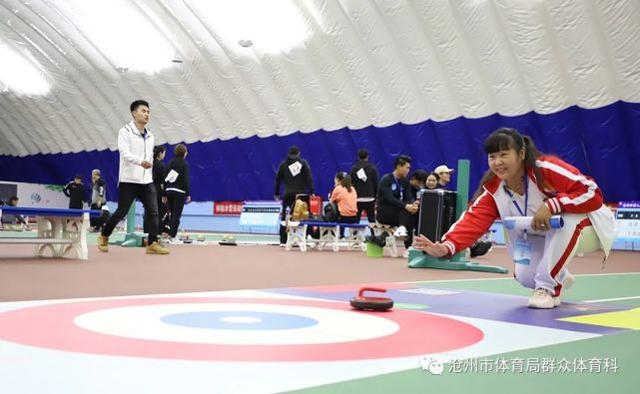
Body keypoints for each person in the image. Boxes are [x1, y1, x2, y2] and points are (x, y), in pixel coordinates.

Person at [414, 128, 615, 309]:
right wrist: (445, 247)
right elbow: (472, 220)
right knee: (525, 278)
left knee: (566, 221)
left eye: (504, 154)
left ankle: (547, 286)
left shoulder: (545, 169)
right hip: (540, 234)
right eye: (492, 156)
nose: (497, 162)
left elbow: (592, 192)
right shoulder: (494, 189)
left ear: (521, 154)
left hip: (588, 227)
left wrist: (553, 205)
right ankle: (557, 273)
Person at [97, 100, 169, 255]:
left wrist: (148, 169)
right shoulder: (125, 131)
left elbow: (149, 156)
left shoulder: (150, 135)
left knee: (153, 212)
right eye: (143, 111)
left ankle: (152, 243)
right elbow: (124, 152)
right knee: (121, 211)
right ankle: (104, 236)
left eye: (148, 112)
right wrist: (140, 162)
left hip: (146, 181)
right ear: (134, 113)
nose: (147, 114)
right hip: (129, 180)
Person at [375, 155, 418, 253]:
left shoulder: (405, 181)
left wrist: (413, 204)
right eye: (407, 168)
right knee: (406, 211)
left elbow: (408, 197)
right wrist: (406, 206)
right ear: (399, 166)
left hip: (399, 212)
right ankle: (407, 243)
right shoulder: (386, 179)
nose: (408, 170)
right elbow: (390, 199)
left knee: (410, 214)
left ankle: (408, 246)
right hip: (384, 212)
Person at [274, 146, 315, 245]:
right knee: (304, 216)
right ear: (299, 154)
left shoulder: (283, 165)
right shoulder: (303, 163)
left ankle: (283, 240)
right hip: (302, 195)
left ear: (289, 154)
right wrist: (312, 191)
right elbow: (309, 177)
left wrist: (277, 193)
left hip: (288, 194)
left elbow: (277, 180)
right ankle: (304, 238)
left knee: (286, 216)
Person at [164, 144, 190, 244]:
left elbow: (165, 178)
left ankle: (169, 234)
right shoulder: (184, 164)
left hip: (169, 190)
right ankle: (172, 236)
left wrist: (164, 194)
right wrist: (188, 193)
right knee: (176, 215)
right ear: (184, 153)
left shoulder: (170, 163)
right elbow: (185, 180)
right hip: (179, 192)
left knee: (171, 214)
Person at [350, 149, 379, 230]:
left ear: (358, 157)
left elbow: (351, 183)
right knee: (372, 220)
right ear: (367, 156)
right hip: (370, 198)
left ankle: (354, 238)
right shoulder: (372, 168)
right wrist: (376, 196)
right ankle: (374, 237)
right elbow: (376, 183)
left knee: (356, 220)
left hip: (358, 198)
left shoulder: (354, 168)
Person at [146, 146, 167, 236]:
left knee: (148, 211)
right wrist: (164, 194)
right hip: (157, 191)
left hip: (148, 189)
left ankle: (147, 230)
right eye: (164, 153)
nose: (164, 155)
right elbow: (162, 182)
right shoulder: (161, 165)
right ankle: (157, 231)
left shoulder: (150, 164)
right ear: (160, 153)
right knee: (159, 211)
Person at [330, 172, 358, 237]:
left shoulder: (338, 188)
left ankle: (340, 235)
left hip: (343, 217)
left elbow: (331, 202)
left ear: (338, 180)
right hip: (354, 217)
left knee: (331, 208)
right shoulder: (353, 188)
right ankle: (354, 235)